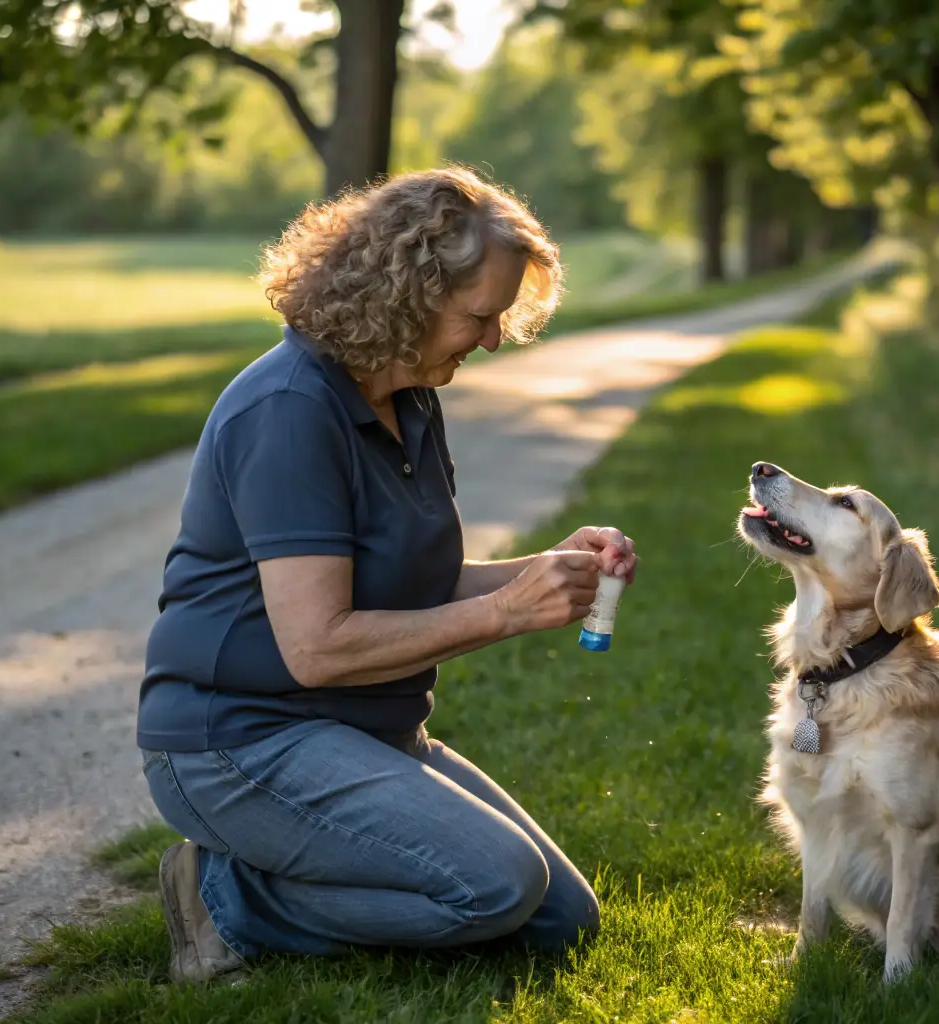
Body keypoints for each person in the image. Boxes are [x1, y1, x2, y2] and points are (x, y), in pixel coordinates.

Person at [136, 167, 637, 985]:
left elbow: (418, 581)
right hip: (239, 742)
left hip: (361, 729)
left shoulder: (407, 398)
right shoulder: (289, 410)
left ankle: (282, 878)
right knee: (493, 886)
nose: (492, 341)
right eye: (479, 315)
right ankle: (225, 896)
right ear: (407, 294)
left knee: (559, 918)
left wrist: (552, 572)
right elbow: (318, 648)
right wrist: (508, 611)